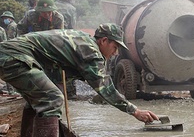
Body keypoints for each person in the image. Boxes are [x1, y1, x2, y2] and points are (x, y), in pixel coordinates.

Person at [0, 23, 158, 136]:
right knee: (52, 99)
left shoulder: (81, 41)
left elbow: (55, 71)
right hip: (15, 58)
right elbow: (105, 88)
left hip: (10, 56)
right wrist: (135, 111)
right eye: (115, 47)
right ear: (103, 41)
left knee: (38, 100)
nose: (115, 53)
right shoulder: (90, 51)